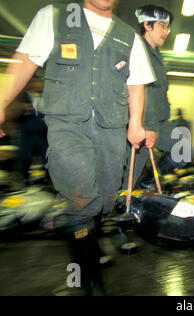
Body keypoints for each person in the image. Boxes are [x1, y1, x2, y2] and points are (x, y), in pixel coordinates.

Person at [0, 0, 154, 295]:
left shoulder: (127, 34)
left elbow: (136, 83)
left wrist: (136, 123)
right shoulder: (55, 16)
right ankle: (90, 281)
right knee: (81, 200)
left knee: (103, 202)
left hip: (111, 129)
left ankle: (87, 244)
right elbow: (26, 59)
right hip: (68, 125)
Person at [122, 5, 187, 191]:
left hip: (161, 122)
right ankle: (111, 212)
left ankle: (148, 181)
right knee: (126, 181)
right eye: (161, 25)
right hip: (142, 123)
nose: (166, 31)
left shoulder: (156, 55)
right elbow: (143, 90)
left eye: (167, 27)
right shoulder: (138, 50)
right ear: (147, 25)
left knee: (182, 150)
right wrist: (147, 127)